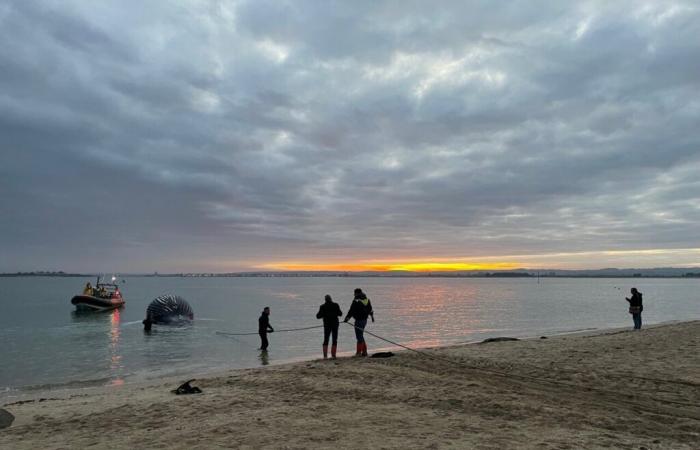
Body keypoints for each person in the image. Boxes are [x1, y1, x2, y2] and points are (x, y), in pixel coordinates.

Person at [344, 288, 374, 356]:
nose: (354, 295)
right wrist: (372, 317)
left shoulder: (356, 300)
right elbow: (370, 309)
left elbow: (351, 310)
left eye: (355, 293)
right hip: (364, 320)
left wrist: (347, 318)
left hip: (358, 320)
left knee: (359, 336)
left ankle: (358, 353)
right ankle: (364, 352)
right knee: (361, 335)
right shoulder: (367, 300)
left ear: (357, 293)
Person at [316, 294, 343, 359]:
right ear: (331, 299)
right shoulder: (336, 305)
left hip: (327, 325)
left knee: (326, 339)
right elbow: (340, 314)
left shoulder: (322, 306)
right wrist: (334, 313)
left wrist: (324, 314)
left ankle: (325, 356)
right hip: (335, 324)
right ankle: (333, 355)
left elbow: (318, 316)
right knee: (334, 339)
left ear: (325, 300)